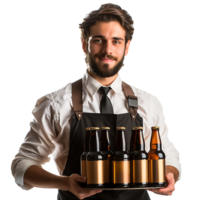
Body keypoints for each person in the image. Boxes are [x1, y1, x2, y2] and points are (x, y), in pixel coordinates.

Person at [9, 2, 183, 200]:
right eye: (99, 40)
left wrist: (170, 175)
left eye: (116, 41)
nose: (107, 49)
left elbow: (169, 155)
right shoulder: (55, 103)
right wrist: (64, 182)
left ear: (128, 48)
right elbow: (21, 165)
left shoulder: (150, 102)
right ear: (83, 43)